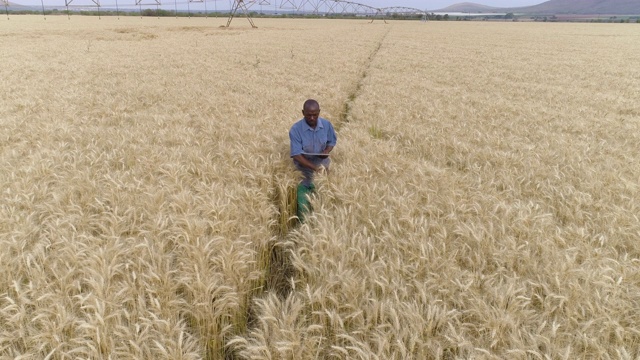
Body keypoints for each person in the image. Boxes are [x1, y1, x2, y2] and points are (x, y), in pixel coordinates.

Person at [289, 99, 337, 188]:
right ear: (303, 113)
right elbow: (296, 154)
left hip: (323, 168)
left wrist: (326, 151)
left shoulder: (327, 125)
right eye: (308, 115)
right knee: (304, 197)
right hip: (302, 171)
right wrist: (315, 168)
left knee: (324, 195)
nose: (312, 118)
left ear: (319, 112)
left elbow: (331, 141)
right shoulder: (295, 130)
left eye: (315, 115)